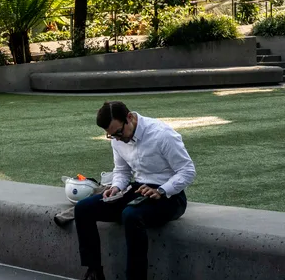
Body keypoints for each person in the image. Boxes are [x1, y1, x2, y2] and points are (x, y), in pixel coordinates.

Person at [73, 101, 195, 280]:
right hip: (138, 188)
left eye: (119, 133)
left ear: (129, 117)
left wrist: (161, 190)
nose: (117, 138)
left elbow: (187, 171)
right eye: (111, 135)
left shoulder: (162, 134)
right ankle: (94, 272)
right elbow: (122, 171)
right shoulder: (117, 139)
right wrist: (115, 187)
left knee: (131, 215)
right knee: (83, 208)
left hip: (170, 196)